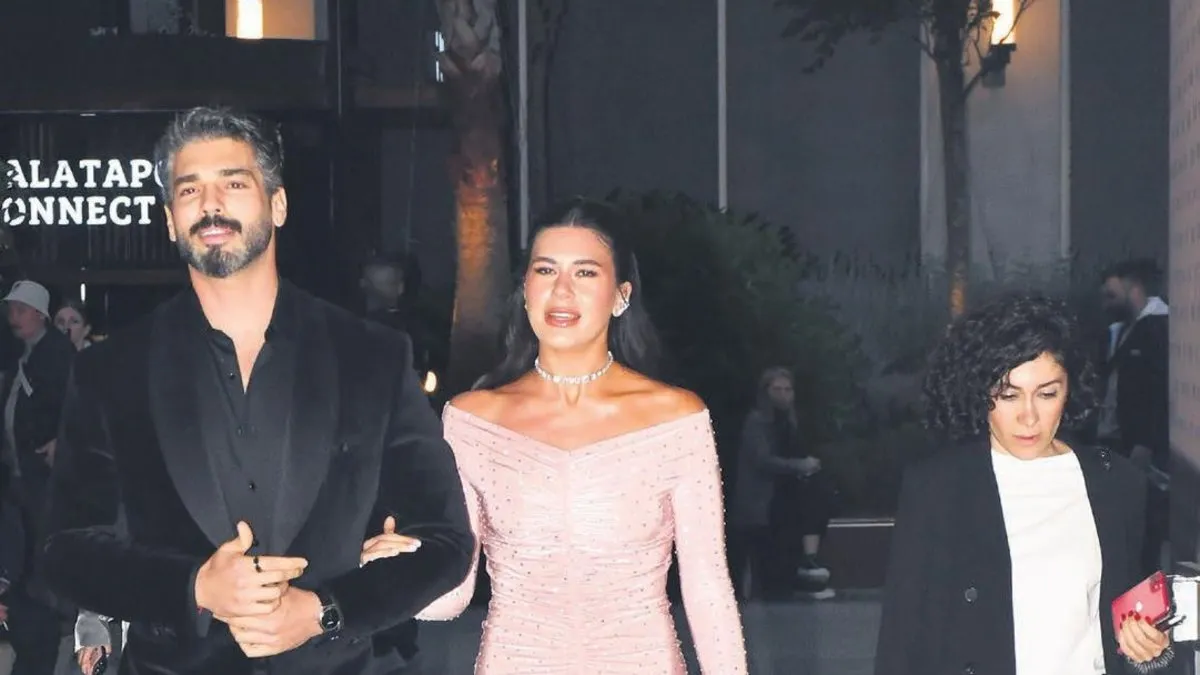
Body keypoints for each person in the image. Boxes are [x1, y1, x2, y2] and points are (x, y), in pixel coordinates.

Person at [39, 106, 474, 675]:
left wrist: (324, 611)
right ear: (169, 220)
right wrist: (194, 587)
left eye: (234, 183)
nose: (210, 203)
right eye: (189, 189)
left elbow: (446, 542)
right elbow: (66, 552)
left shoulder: (372, 357)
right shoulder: (111, 369)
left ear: (278, 204)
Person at [415, 198, 747, 674]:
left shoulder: (674, 418)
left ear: (621, 295)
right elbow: (451, 596)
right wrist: (396, 567)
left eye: (586, 273)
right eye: (545, 270)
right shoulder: (473, 421)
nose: (562, 290)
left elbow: (707, 585)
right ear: (525, 290)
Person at [875, 294, 1172, 675]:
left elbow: (1136, 637)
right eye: (1008, 394)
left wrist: (1151, 649)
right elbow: (901, 644)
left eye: (1047, 394)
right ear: (980, 391)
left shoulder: (1117, 482)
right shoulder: (937, 488)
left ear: (1070, 389)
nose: (1028, 416)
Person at [729, 367, 836, 600]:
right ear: (765, 391)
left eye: (787, 390)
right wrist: (800, 466)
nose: (783, 395)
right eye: (777, 389)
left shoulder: (789, 421)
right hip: (763, 501)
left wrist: (806, 466)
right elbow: (762, 460)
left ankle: (808, 561)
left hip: (784, 496)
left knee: (820, 493)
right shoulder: (757, 422)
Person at [1098, 259, 1170, 575]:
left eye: (1112, 294)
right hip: (1116, 442)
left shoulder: (1158, 328)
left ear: (1133, 287)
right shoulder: (1122, 331)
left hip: (1141, 451)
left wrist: (1146, 442)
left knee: (1144, 529)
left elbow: (1161, 392)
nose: (1106, 303)